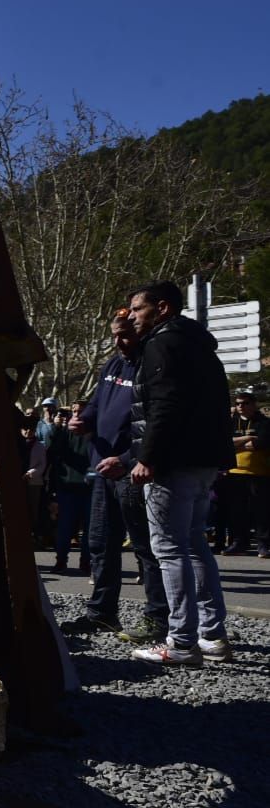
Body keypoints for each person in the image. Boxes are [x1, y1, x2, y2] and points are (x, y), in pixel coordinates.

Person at [108, 281, 233, 666]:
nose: (131, 316)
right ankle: (211, 634)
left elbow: (163, 405)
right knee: (195, 545)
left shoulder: (163, 344)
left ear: (162, 309)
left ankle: (180, 642)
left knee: (170, 549)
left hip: (172, 463)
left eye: (137, 309)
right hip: (202, 460)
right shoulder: (196, 345)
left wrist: (147, 457)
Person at [65, 314, 168, 639]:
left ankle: (158, 617)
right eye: (114, 335)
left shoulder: (149, 367)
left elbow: (155, 422)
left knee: (144, 547)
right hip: (101, 469)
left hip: (131, 471)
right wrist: (84, 421)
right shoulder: (112, 366)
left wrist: (127, 459)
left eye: (124, 335)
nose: (118, 342)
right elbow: (97, 405)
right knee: (100, 543)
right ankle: (102, 613)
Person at [220, 391, 270, 557]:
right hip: (234, 472)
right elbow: (224, 442)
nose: (241, 406)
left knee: (260, 511)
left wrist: (237, 443)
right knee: (237, 510)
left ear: (253, 404)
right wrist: (248, 437)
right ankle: (239, 542)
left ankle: (263, 544)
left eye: (245, 403)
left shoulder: (264, 423)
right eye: (238, 403)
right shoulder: (231, 422)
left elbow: (260, 443)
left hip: (258, 472)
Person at [47, 403, 93, 575]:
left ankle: (86, 562)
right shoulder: (64, 433)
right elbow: (53, 457)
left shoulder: (95, 432)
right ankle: (60, 560)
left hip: (89, 487)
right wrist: (57, 428)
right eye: (74, 412)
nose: (76, 415)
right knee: (64, 528)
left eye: (80, 412)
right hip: (67, 487)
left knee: (90, 529)